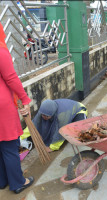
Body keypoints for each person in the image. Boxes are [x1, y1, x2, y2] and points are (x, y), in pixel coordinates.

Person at [0, 22, 34, 194]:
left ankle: (2, 180)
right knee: (9, 147)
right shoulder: (0, 51)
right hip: (2, 107)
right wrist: (24, 98)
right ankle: (18, 183)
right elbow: (11, 78)